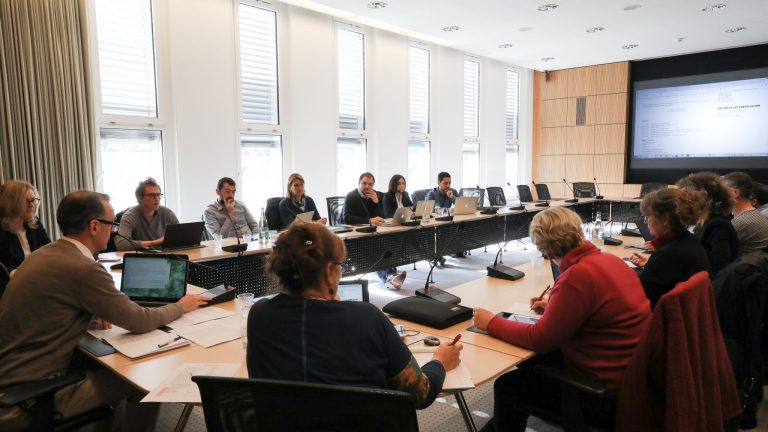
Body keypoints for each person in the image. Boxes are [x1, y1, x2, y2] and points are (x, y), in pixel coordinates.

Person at [0, 191, 209, 431]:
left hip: (11, 378)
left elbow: (46, 311)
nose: (114, 231)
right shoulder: (83, 267)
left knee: (106, 362)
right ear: (94, 226)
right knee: (144, 379)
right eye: (112, 224)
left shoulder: (44, 254)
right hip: (26, 399)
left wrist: (85, 315)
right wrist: (180, 306)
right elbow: (138, 320)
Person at [246, 222, 462, 409]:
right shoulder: (366, 317)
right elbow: (419, 394)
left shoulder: (259, 314)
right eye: (340, 266)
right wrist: (440, 362)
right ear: (330, 271)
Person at [473, 207, 650, 431]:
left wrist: (490, 322)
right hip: (630, 380)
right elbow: (598, 310)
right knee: (531, 364)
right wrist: (556, 307)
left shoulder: (577, 275)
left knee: (508, 385)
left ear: (545, 250)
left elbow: (539, 339)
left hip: (601, 393)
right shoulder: (610, 261)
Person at [629, 188, 711, 308]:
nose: (646, 221)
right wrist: (649, 266)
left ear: (665, 219)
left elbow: (639, 299)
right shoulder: (690, 242)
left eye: (648, 216)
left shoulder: (667, 255)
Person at [676, 172, 739, 276]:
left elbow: (720, 264)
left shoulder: (719, 226)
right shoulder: (702, 223)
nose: (681, 200)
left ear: (704, 197)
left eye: (686, 196)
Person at [115, 177, 179, 251]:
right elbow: (121, 244)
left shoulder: (167, 213)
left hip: (164, 255)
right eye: (152, 195)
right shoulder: (130, 216)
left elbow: (180, 235)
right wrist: (155, 242)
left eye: (158, 195)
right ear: (140, 198)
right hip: (142, 258)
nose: (157, 198)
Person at [0, 180, 50, 270]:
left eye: (33, 200)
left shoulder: (35, 223)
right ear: (10, 203)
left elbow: (49, 252)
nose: (31, 205)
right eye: (26, 201)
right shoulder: (2, 229)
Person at [723, 172, 768, 255]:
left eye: (723, 191)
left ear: (735, 193)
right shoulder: (755, 215)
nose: (720, 195)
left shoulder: (743, 222)